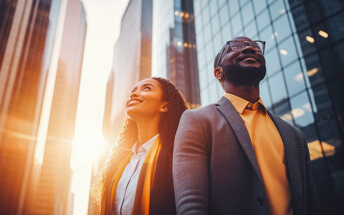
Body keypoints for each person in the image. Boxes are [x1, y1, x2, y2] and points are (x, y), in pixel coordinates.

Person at [172, 36, 322, 215]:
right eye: (235, 46)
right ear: (218, 72)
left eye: (255, 46)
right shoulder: (197, 120)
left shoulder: (294, 135)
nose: (249, 48)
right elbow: (191, 204)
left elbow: (311, 205)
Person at [100, 77, 188, 215]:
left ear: (164, 106)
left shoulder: (177, 156)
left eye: (146, 88)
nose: (133, 94)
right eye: (133, 90)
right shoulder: (118, 165)